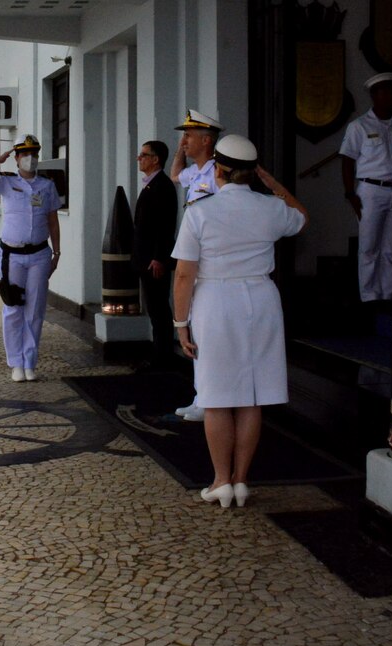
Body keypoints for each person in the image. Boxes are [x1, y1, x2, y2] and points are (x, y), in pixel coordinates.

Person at [171, 135, 308, 508]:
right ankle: (241, 480)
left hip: (216, 302)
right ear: (253, 173)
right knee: (252, 395)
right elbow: (301, 216)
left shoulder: (200, 211)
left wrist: (179, 323)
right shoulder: (271, 208)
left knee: (216, 397)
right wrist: (274, 184)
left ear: (218, 170)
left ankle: (220, 481)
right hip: (262, 300)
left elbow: (184, 275)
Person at [0, 133, 61, 382]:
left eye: (34, 154)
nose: (30, 159)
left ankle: (29, 361)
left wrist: (57, 252)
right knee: (13, 307)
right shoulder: (6, 182)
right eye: (25, 154)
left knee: (35, 309)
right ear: (17, 158)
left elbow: (53, 221)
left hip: (39, 254)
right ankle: (15, 362)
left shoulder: (47, 185)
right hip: (11, 254)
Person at [339, 73, 392, 305]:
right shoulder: (359, 126)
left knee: (391, 247)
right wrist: (350, 193)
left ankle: (387, 294)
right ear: (373, 96)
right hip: (371, 190)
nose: (388, 96)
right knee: (369, 246)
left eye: (391, 91)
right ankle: (369, 296)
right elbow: (346, 160)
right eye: (383, 92)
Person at [169, 109, 224, 422]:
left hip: (210, 261)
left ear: (207, 140)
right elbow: (176, 175)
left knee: (205, 333)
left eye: (189, 136)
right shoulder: (195, 172)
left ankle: (210, 398)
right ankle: (201, 395)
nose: (184, 141)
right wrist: (179, 150)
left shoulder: (218, 172)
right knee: (196, 330)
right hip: (194, 259)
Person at [132, 140, 178, 370]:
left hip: (154, 260)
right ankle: (159, 355)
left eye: (143, 155)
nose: (139, 158)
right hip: (146, 258)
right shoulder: (151, 184)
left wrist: (159, 257)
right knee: (154, 308)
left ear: (155, 159)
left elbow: (165, 226)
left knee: (159, 309)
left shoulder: (162, 186)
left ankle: (163, 358)